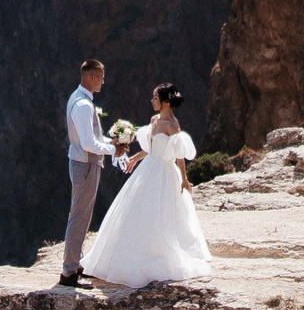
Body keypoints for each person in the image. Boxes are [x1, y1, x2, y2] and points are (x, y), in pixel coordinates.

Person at [79, 83, 214, 289]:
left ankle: (157, 256)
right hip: (149, 168)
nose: (152, 101)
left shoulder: (172, 126)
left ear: (165, 101)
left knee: (161, 214)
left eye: (155, 98)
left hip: (165, 173)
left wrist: (184, 179)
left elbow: (178, 155)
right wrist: (135, 157)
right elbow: (151, 149)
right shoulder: (154, 120)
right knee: (137, 211)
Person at [56, 59, 116, 289]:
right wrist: (113, 149)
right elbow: (89, 143)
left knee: (82, 215)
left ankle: (76, 264)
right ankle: (69, 272)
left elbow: (90, 139)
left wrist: (112, 142)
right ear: (91, 77)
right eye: (101, 77)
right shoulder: (83, 105)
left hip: (82, 163)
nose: (103, 81)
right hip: (86, 165)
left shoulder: (79, 99)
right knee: (79, 217)